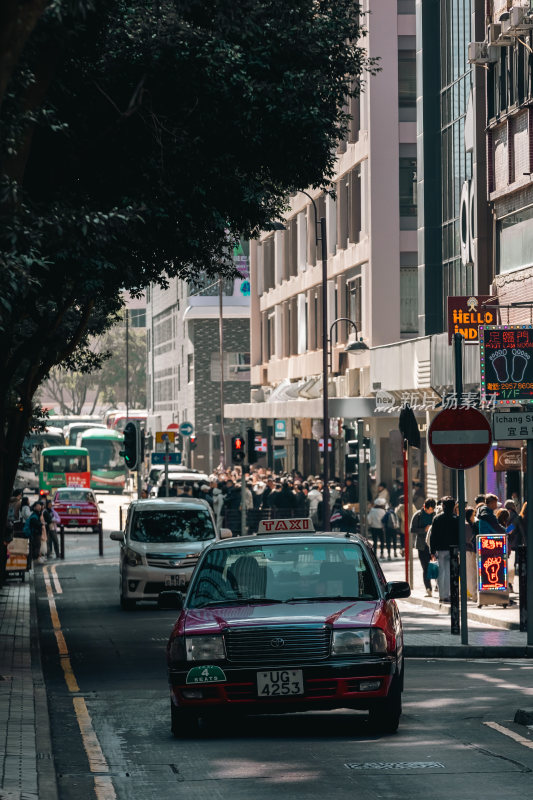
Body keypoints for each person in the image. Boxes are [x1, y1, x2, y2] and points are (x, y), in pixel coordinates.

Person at [429, 496, 459, 603]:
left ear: (443, 506)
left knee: (441, 572)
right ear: (453, 507)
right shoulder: (456, 519)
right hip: (453, 549)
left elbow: (433, 536)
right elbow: (459, 535)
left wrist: (432, 551)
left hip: (440, 549)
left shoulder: (437, 519)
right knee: (450, 573)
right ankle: (448, 594)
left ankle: (442, 595)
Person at [410, 499, 436, 597]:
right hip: (422, 545)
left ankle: (438, 586)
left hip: (433, 545)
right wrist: (424, 529)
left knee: (435, 566)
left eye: (431, 509)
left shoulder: (435, 515)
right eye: (428, 509)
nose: (430, 511)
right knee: (425, 567)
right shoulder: (418, 515)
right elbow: (412, 529)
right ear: (424, 507)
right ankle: (428, 588)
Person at [464, 507, 478, 601]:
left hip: (469, 551)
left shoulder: (470, 525)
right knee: (471, 573)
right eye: (473, 515)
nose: (474, 517)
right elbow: (468, 539)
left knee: (470, 572)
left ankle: (471, 593)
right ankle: (473, 594)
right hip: (468, 551)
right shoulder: (467, 526)